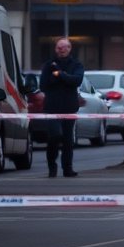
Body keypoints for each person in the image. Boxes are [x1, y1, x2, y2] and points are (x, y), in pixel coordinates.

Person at [40, 37, 84, 177]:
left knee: (67, 139)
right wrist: (63, 78)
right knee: (54, 135)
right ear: (55, 49)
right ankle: (52, 167)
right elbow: (43, 85)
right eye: (59, 47)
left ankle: (67, 168)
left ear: (69, 49)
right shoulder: (48, 65)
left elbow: (76, 81)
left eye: (64, 47)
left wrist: (59, 74)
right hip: (52, 107)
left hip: (69, 107)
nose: (61, 50)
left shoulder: (76, 64)